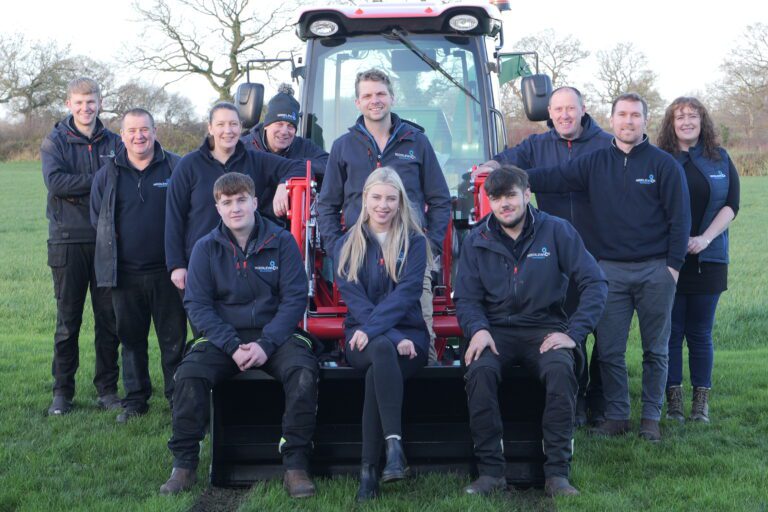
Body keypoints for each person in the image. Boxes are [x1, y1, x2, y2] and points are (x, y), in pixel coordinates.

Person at [525, 93, 691, 442]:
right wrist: (511, 177)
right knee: (611, 351)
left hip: (655, 271)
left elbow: (680, 221)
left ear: (645, 120)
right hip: (610, 272)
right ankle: (617, 415)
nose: (628, 121)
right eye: (622, 115)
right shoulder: (595, 162)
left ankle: (650, 418)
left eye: (635, 115)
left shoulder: (664, 165)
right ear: (611, 120)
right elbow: (554, 177)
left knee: (655, 350)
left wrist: (672, 269)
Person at [160, 173, 318, 498]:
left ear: (254, 202)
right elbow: (197, 304)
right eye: (227, 202)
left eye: (241, 200)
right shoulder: (205, 248)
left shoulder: (281, 241)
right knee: (188, 374)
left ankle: (296, 465)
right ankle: (184, 464)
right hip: (224, 338)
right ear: (217, 208)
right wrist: (232, 345)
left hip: (275, 336)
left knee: (303, 371)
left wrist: (266, 344)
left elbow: (294, 300)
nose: (235, 208)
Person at [455, 166, 607, 497]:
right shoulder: (476, 239)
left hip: (545, 328)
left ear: (527, 194)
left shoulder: (557, 231)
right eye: (496, 198)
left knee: (561, 371)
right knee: (479, 372)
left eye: (510, 195)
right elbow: (466, 298)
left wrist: (574, 333)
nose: (504, 204)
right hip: (495, 330)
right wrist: (477, 329)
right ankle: (491, 473)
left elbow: (595, 282)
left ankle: (557, 474)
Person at [477, 86, 612, 426]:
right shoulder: (536, 146)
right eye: (558, 109)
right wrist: (488, 167)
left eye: (570, 108)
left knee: (605, 332)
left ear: (583, 109)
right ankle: (576, 398)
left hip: (603, 250)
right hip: (555, 253)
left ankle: (601, 399)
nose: (564, 115)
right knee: (568, 326)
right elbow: (504, 161)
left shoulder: (605, 145)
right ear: (548, 113)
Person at [317, 68, 451, 365]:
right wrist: (338, 249)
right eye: (367, 95)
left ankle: (427, 387)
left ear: (392, 97)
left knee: (422, 337)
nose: (374, 100)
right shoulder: (343, 146)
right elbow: (326, 205)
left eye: (380, 94)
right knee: (366, 332)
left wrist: (429, 246)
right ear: (357, 102)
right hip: (360, 256)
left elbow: (440, 200)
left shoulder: (416, 142)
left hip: (408, 254)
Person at [334, 167, 429, 502]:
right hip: (362, 336)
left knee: (379, 368)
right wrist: (391, 336)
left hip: (411, 337)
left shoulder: (415, 242)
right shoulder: (346, 244)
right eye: (376, 197)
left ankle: (368, 472)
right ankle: (394, 449)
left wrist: (389, 334)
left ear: (400, 200)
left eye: (390, 198)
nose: (383, 205)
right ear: (365, 198)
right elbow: (356, 302)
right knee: (383, 350)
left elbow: (407, 294)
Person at [90, 108, 186, 423]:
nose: (138, 136)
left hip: (169, 272)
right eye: (131, 131)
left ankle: (177, 398)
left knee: (173, 341)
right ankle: (135, 400)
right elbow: (98, 218)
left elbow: (190, 214)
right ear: (122, 135)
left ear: (155, 131)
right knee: (131, 341)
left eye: (144, 129)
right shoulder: (108, 173)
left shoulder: (175, 167)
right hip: (125, 274)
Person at [40, 77, 121, 415]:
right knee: (67, 322)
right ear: (68, 104)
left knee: (109, 322)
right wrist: (101, 180)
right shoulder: (54, 141)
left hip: (106, 242)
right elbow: (56, 183)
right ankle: (62, 392)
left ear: (99, 103)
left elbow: (123, 179)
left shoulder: (115, 141)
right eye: (79, 102)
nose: (86, 108)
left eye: (91, 102)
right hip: (67, 241)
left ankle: (108, 390)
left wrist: (86, 186)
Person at [165, 102, 306, 295]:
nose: (228, 131)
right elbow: (174, 216)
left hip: (246, 266)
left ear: (240, 127)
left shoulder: (256, 160)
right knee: (203, 314)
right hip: (201, 264)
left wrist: (284, 184)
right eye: (221, 124)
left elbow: (299, 167)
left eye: (233, 124)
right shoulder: (189, 165)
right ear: (210, 128)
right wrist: (176, 265)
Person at [657, 97, 740, 424]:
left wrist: (705, 238)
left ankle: (700, 403)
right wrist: (675, 245)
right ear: (671, 124)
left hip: (710, 259)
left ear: (702, 121)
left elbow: (731, 204)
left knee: (701, 333)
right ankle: (674, 401)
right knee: (672, 333)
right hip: (669, 262)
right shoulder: (661, 159)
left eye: (693, 116)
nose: (687, 121)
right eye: (680, 117)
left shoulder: (720, 158)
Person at [241, 83, 329, 185]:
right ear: (266, 125)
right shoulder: (244, 147)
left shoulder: (303, 146)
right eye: (279, 124)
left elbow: (329, 163)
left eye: (290, 126)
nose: (284, 131)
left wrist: (294, 166)